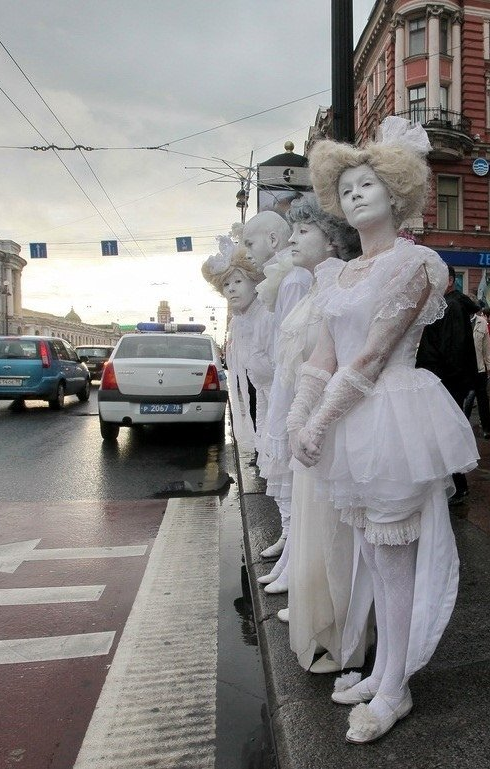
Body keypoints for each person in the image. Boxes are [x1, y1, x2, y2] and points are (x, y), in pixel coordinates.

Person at [291, 116, 477, 743]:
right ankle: (384, 666)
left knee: (393, 557)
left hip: (390, 413)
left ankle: (395, 685)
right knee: (372, 552)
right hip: (353, 421)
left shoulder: (416, 263)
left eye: (368, 184)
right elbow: (324, 354)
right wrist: (299, 414)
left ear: (397, 192)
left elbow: (371, 356)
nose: (356, 194)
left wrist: (319, 418)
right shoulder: (337, 274)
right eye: (346, 189)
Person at [257, 198, 367, 673]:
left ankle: (343, 632)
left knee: (333, 530)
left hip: (331, 425)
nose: (293, 239)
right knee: (313, 524)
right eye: (294, 231)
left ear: (332, 240)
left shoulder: (340, 286)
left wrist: (311, 420)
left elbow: (344, 361)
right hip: (307, 422)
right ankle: (321, 620)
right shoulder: (313, 289)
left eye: (305, 232)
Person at [255, 198, 329, 595]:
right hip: (300, 394)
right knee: (302, 493)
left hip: (315, 398)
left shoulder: (306, 282)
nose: (291, 239)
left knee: (314, 495)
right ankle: (295, 561)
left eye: (302, 231)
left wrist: (297, 412)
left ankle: (303, 571)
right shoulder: (308, 280)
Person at [202, 238, 272, 455]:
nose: (231, 289)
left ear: (254, 281)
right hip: (263, 399)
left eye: (238, 282)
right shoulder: (239, 322)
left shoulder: (266, 316)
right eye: (226, 284)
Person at [416, 265, 478, 504]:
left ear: (450, 281)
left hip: (446, 380)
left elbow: (452, 347)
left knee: (445, 433)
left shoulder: (450, 307)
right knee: (444, 432)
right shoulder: (448, 305)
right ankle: (454, 483)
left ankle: (457, 485)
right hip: (445, 378)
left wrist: (440, 379)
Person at [464, 305, 490, 439]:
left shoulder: (481, 322)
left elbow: (486, 347)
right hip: (463, 368)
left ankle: (486, 428)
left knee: (482, 398)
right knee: (464, 398)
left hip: (479, 367)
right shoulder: (459, 320)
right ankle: (462, 426)